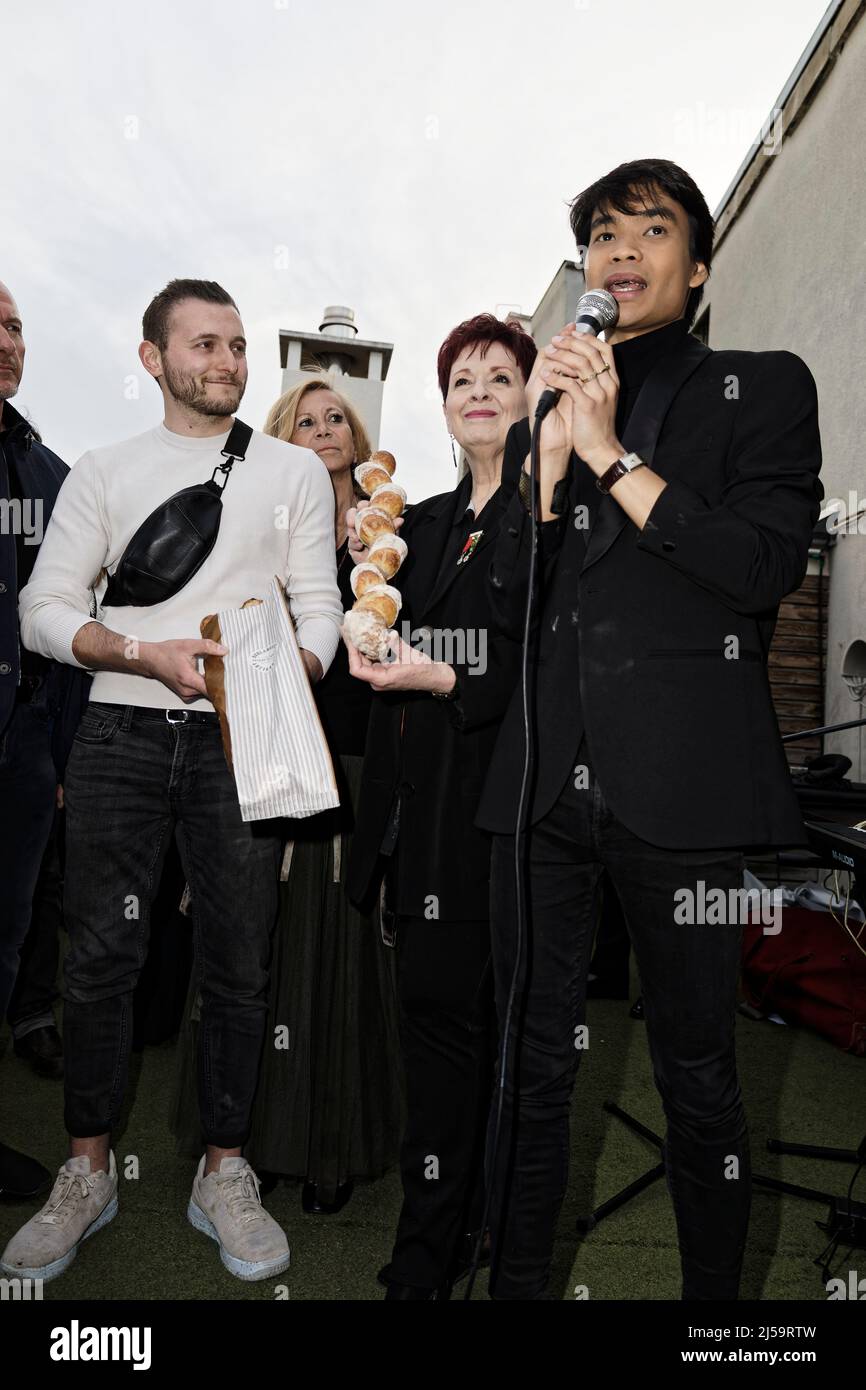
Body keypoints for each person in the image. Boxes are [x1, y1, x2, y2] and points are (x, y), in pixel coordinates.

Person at [477, 158, 823, 1300]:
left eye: (650, 227)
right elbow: (500, 607)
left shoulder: (759, 384)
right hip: (540, 781)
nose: (618, 249)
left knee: (698, 1075)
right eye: (599, 232)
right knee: (529, 1068)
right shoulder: (548, 405)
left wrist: (612, 453)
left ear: (699, 265)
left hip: (680, 787)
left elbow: (758, 567)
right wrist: (539, 468)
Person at [2, 279, 343, 1285]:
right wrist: (138, 651)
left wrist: (289, 676)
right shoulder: (103, 470)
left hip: (253, 734)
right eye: (204, 344)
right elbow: (42, 609)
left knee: (240, 960)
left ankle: (222, 1170)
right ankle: (88, 1169)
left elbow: (319, 602)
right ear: (153, 358)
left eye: (238, 344)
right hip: (118, 729)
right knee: (103, 958)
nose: (228, 361)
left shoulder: (291, 471)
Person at [171, 376, 404, 1214]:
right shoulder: (260, 528)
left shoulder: (392, 536)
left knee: (340, 961)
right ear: (281, 438)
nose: (322, 430)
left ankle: (331, 1148)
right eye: (302, 421)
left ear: (356, 432)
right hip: (268, 752)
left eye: (335, 417)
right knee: (252, 951)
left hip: (355, 760)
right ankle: (248, 1145)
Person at [345, 313, 535, 1299]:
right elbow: (370, 630)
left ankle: (443, 1252)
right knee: (435, 1038)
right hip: (409, 825)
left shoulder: (543, 519)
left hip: (490, 823)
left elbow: (536, 666)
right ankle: (445, 1233)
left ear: (527, 396)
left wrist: (444, 676)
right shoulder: (416, 524)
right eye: (461, 375)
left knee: (480, 1043)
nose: (477, 388)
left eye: (499, 374)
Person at [0, 280, 86, 1196]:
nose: (7, 341)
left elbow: (67, 622)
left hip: (24, 739)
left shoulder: (51, 476)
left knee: (9, 929)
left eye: (16, 326)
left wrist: (55, 756)